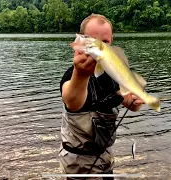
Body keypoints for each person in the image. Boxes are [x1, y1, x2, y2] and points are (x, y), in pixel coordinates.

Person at [59, 14, 144, 179]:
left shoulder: (113, 75)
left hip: (105, 160)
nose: (99, 45)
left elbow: (128, 101)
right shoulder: (73, 75)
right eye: (92, 39)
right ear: (82, 41)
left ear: (111, 40)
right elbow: (72, 101)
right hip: (78, 166)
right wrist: (81, 74)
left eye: (104, 42)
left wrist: (135, 102)